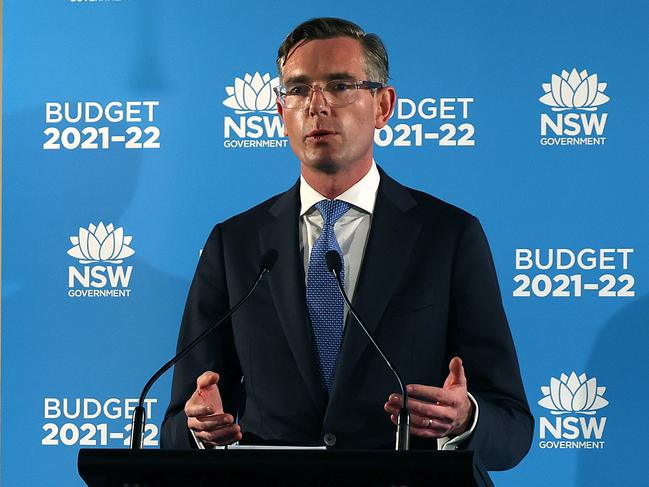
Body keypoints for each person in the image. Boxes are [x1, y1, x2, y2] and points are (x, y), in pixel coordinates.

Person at [161, 17, 533, 470]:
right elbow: (177, 425)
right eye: (297, 90)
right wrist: (198, 429)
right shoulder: (234, 243)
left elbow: (512, 426)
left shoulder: (449, 236)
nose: (317, 106)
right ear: (281, 113)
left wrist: (464, 420)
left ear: (383, 106)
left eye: (339, 86)